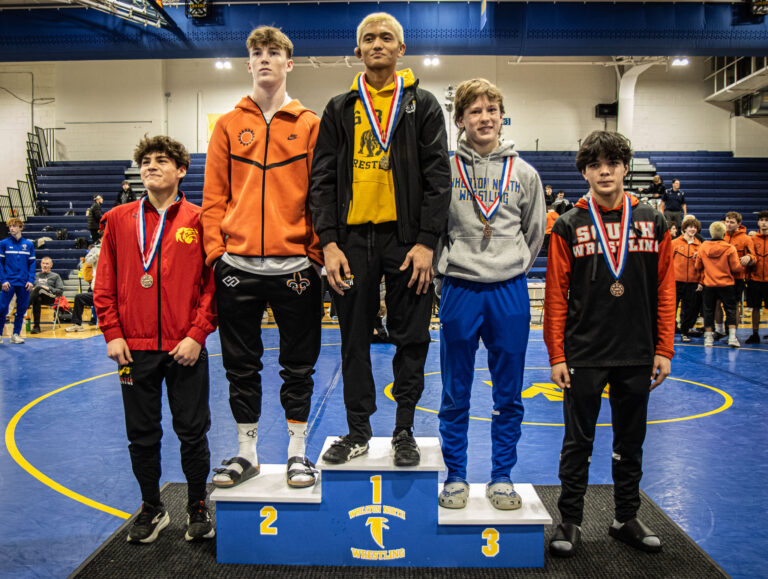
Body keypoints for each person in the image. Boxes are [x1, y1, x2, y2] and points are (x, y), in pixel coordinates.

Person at [309, 12, 451, 466]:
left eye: (386, 37)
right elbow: (323, 180)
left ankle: (405, 429)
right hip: (352, 242)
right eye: (368, 38)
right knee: (353, 338)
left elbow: (437, 177)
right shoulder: (339, 108)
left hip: (407, 241)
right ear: (358, 51)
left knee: (413, 337)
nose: (376, 44)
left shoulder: (423, 105)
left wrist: (428, 241)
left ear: (400, 49)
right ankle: (357, 431)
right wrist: (329, 243)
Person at [201, 26, 323, 489]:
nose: (266, 59)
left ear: (289, 63)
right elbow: (213, 196)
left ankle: (298, 453)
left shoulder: (309, 124)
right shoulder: (229, 125)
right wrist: (217, 254)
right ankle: (246, 451)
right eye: (257, 53)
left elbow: (320, 195)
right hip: (238, 267)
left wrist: (311, 254)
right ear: (248, 64)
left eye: (275, 53)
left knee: (299, 364)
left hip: (296, 268)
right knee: (240, 364)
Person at [544, 130, 675, 558]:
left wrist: (664, 348)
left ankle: (625, 517)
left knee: (630, 439)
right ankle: (570, 519)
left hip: (637, 349)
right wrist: (557, 354)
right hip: (584, 350)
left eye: (613, 163)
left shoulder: (653, 219)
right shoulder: (569, 224)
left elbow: (665, 287)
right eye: (595, 164)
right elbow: (556, 293)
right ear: (584, 171)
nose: (605, 171)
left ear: (624, 168)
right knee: (577, 442)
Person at [94, 135, 217, 544]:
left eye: (161, 160)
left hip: (185, 348)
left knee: (192, 431)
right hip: (134, 348)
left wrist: (197, 334)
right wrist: (112, 332)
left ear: (181, 170)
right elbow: (104, 283)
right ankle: (152, 506)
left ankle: (198, 505)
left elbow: (212, 286)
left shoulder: (201, 220)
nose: (150, 166)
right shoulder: (117, 220)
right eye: (145, 161)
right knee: (142, 435)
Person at [434, 78, 545, 511]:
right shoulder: (444, 170)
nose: (485, 118)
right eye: (474, 111)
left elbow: (534, 234)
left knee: (509, 394)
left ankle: (502, 476)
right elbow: (436, 231)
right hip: (461, 289)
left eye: (491, 110)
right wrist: (450, 271)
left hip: (509, 291)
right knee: (453, 391)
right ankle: (456, 476)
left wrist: (510, 263)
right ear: (460, 120)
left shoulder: (524, 173)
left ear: (502, 116)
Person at [696, 221, 744, 348]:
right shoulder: (729, 248)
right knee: (731, 310)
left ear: (711, 232)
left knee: (708, 311)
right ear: (724, 233)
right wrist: (745, 262)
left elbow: (698, 266)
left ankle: (708, 339)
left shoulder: (703, 246)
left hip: (709, 284)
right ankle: (732, 337)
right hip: (726, 284)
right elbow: (736, 268)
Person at [715, 211, 755, 337]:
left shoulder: (746, 239)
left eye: (732, 222)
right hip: (720, 276)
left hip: (737, 278)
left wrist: (749, 258)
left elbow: (754, 256)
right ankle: (719, 330)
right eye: (727, 221)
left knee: (734, 306)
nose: (728, 224)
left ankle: (733, 333)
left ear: (738, 224)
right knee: (716, 303)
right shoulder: (721, 236)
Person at [0, 217, 35, 344]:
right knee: (2, 308)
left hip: (24, 283)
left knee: (21, 309)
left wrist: (31, 280)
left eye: (14, 226)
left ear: (21, 227)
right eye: (10, 226)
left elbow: (32, 263)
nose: (12, 228)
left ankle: (15, 334)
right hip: (8, 282)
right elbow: (0, 263)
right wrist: (3, 280)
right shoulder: (3, 243)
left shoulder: (29, 244)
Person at [671, 217, 703, 342]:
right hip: (676, 281)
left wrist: (701, 282)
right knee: (671, 308)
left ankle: (685, 332)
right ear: (684, 228)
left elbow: (703, 267)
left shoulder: (700, 245)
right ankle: (667, 333)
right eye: (690, 227)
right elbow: (667, 262)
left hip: (693, 282)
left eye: (695, 227)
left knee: (689, 309)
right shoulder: (674, 243)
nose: (692, 229)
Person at [66, 242, 100, 332]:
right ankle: (77, 324)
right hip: (98, 292)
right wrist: (96, 255)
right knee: (79, 297)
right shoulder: (95, 250)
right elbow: (87, 261)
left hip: (111, 293)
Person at [746, 210, 768, 344]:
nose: (764, 223)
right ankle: (755, 333)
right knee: (755, 307)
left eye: (766, 220)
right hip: (755, 279)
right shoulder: (752, 239)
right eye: (762, 220)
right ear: (758, 222)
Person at [28, 256, 64, 334]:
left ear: (51, 265)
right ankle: (36, 327)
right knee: (37, 299)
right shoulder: (36, 275)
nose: (45, 265)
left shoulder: (55, 276)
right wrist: (32, 289)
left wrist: (48, 289)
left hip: (50, 297)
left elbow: (60, 291)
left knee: (38, 288)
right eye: (43, 263)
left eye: (47, 264)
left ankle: (25, 306)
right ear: (41, 264)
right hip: (37, 296)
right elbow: (30, 287)